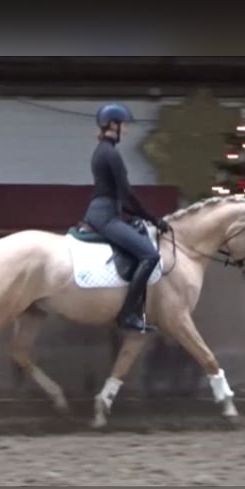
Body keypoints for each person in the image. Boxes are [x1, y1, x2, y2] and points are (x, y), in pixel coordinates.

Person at [82, 102, 170, 333]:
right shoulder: (110, 154)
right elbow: (127, 194)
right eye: (124, 125)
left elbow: (122, 198)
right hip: (106, 216)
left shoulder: (103, 151)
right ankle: (127, 314)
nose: (127, 130)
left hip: (106, 211)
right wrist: (154, 219)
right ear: (113, 125)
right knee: (150, 255)